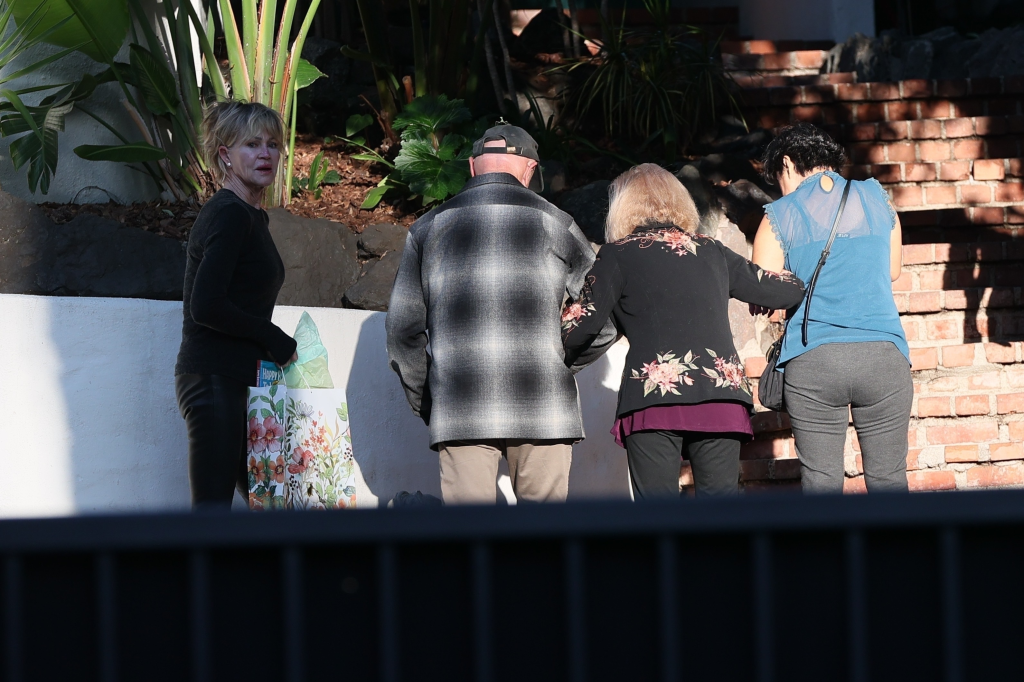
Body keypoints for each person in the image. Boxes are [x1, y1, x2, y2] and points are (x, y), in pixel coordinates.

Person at [386, 124, 612, 504]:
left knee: (471, 543)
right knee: (541, 541)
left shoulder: (428, 229)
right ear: (529, 170)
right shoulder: (559, 224)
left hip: (460, 403)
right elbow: (602, 320)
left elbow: (402, 332)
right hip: (544, 406)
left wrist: (427, 397)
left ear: (473, 167)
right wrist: (560, 363)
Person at [562, 164, 806, 498]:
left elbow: (578, 328)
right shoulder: (712, 249)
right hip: (720, 393)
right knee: (719, 518)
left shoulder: (617, 255)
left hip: (654, 397)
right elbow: (784, 290)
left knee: (660, 520)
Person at [751, 123, 912, 493]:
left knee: (821, 486)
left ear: (787, 165)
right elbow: (892, 270)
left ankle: (826, 552)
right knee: (890, 482)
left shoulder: (780, 214)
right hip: (885, 356)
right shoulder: (878, 198)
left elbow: (765, 294)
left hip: (815, 362)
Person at [174, 101, 298, 510]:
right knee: (212, 514)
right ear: (225, 155)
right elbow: (206, 305)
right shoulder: (229, 214)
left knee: (271, 507)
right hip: (213, 379)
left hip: (241, 380)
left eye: (273, 144)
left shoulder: (250, 216)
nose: (265, 154)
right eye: (252, 144)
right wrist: (271, 335)